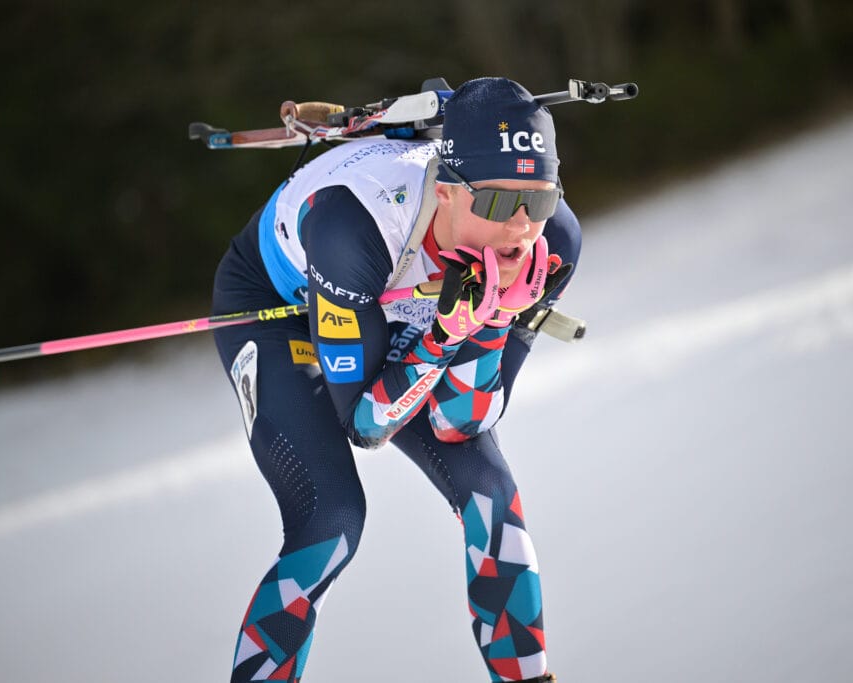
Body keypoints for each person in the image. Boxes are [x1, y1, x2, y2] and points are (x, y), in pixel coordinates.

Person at [212, 77, 582, 683]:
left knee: (491, 491)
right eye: (495, 203)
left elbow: (463, 422)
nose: (520, 228)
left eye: (537, 202)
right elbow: (365, 423)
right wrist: (443, 337)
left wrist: (488, 324)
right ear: (447, 191)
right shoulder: (350, 226)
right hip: (282, 306)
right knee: (330, 516)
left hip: (395, 306)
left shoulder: (554, 243)